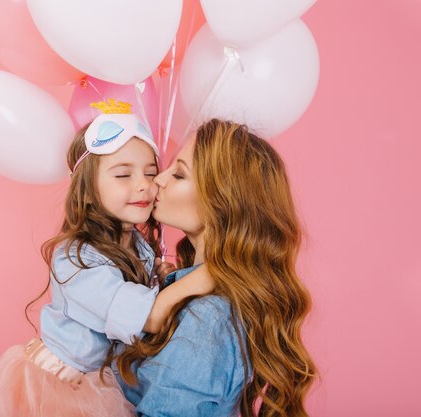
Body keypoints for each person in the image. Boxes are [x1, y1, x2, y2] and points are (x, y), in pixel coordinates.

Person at [0, 100, 212, 417]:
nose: (144, 184)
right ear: (88, 189)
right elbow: (148, 317)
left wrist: (161, 277)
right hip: (58, 384)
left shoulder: (139, 245)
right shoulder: (77, 258)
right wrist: (201, 277)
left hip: (102, 378)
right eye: (123, 175)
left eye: (150, 172)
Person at [115, 119, 317, 417]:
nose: (159, 179)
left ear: (222, 204)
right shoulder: (190, 293)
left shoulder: (208, 317)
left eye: (180, 174)